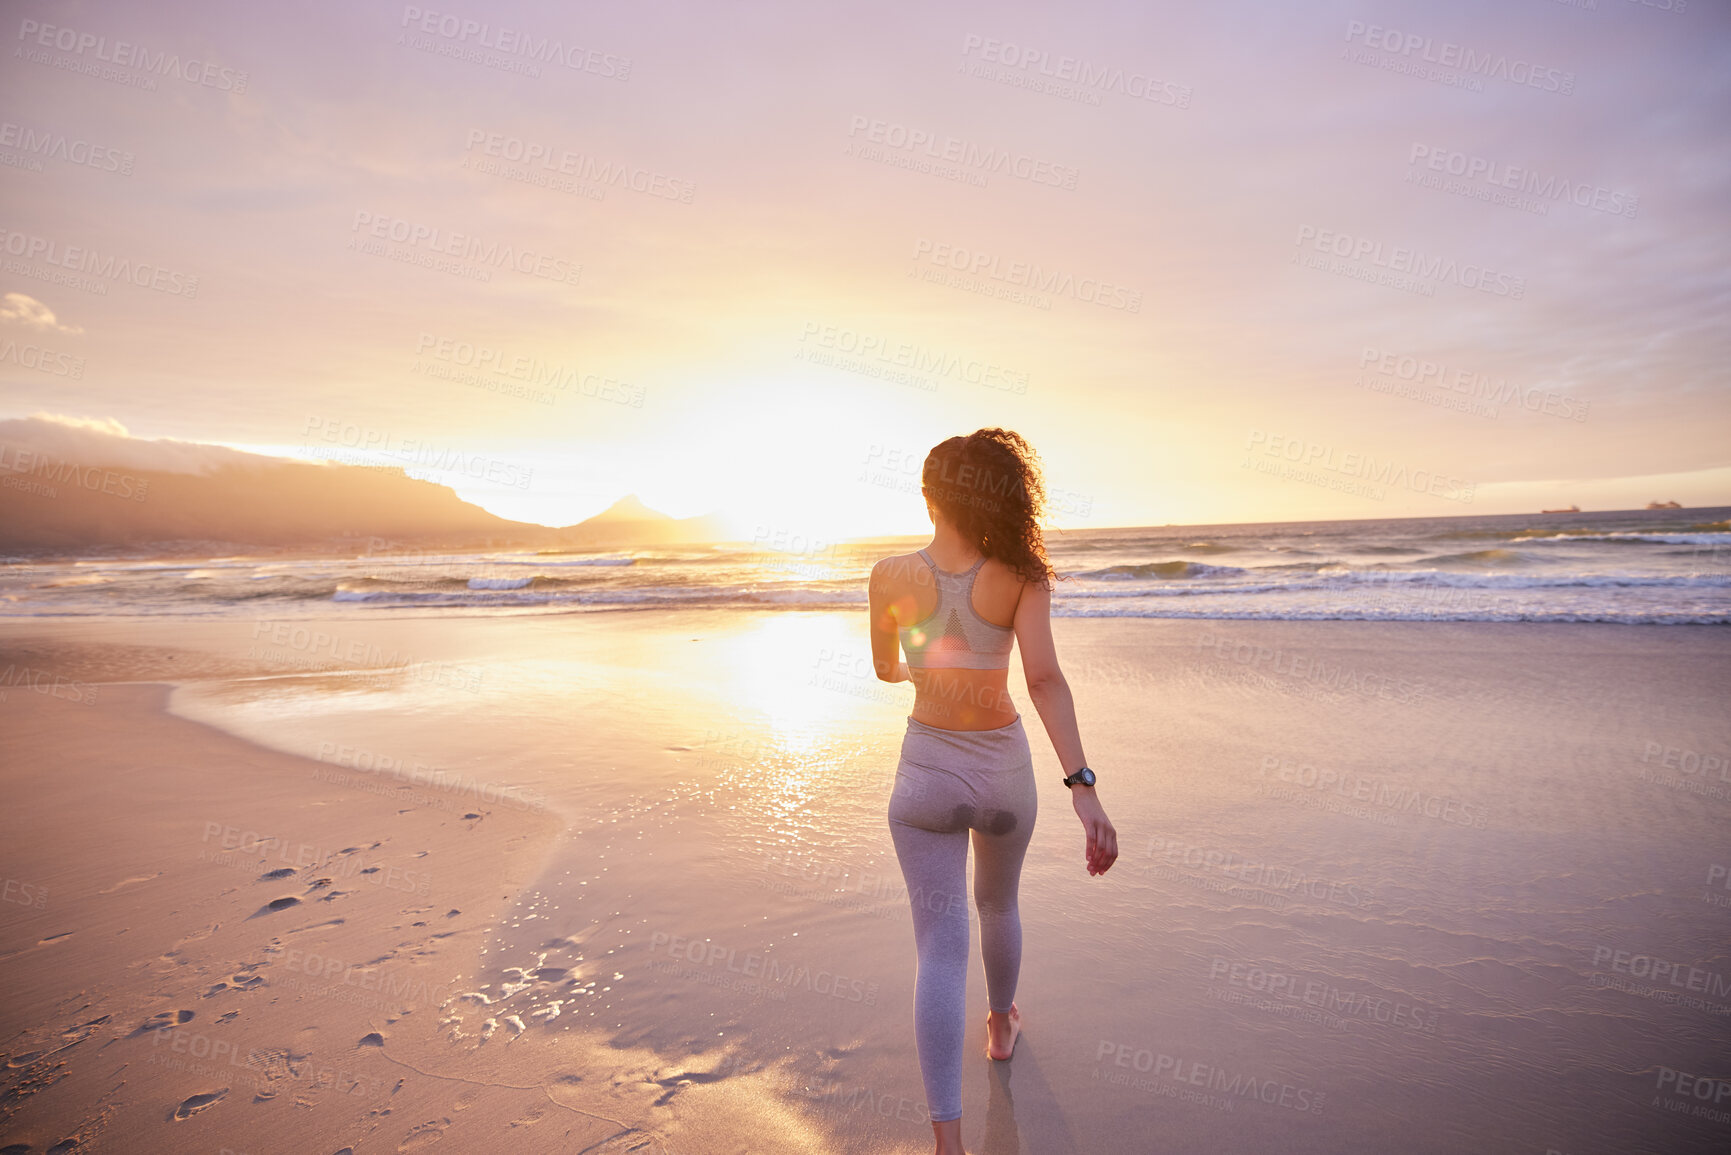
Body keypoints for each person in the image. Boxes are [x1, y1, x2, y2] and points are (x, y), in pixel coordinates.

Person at [868, 428, 1118, 1154]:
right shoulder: (1020, 573)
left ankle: (948, 1143)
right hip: (1002, 769)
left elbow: (887, 669)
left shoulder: (888, 573)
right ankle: (1000, 1023)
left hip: (925, 773)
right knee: (997, 902)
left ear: (927, 496)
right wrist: (1084, 790)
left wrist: (919, 647)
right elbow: (1043, 680)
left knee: (939, 953)